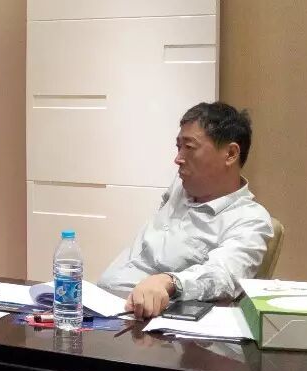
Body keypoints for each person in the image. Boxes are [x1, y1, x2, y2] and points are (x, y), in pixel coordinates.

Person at [97, 102, 273, 319]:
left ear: (230, 153)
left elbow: (224, 275)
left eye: (189, 147)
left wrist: (169, 282)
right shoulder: (181, 186)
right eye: (178, 147)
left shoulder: (250, 219)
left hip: (145, 321)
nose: (178, 159)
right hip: (104, 303)